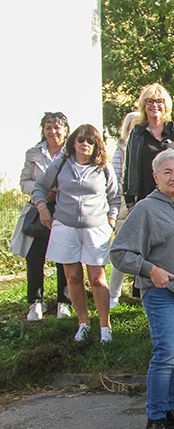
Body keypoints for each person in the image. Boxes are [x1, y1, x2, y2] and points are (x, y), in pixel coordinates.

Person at [110, 149, 174, 429]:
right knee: (165, 354)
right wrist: (150, 270)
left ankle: (171, 411)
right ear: (156, 177)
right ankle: (154, 419)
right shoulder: (145, 209)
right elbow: (119, 253)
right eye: (167, 172)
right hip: (161, 293)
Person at [33, 124, 120, 342]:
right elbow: (39, 188)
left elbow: (115, 198)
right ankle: (83, 322)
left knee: (97, 279)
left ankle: (105, 326)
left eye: (90, 141)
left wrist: (110, 222)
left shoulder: (104, 167)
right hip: (65, 227)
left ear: (97, 145)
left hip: (96, 229)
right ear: (73, 142)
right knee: (72, 277)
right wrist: (43, 210)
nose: (85, 144)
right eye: (81, 139)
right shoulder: (61, 164)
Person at [12, 112, 72, 321]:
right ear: (43, 130)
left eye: (57, 127)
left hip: (65, 211)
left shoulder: (72, 153)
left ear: (66, 130)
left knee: (64, 258)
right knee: (35, 257)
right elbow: (24, 181)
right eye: (48, 127)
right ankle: (36, 301)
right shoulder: (33, 153)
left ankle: (64, 302)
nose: (53, 131)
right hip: (39, 210)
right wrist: (41, 191)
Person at [123, 83, 174, 207]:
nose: (154, 105)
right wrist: (129, 201)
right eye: (150, 101)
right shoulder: (137, 133)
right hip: (146, 199)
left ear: (166, 105)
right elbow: (130, 167)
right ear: (144, 105)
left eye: (159, 101)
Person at [108, 112, 141, 309]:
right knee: (123, 249)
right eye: (133, 126)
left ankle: (141, 292)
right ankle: (114, 294)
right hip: (124, 205)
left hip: (147, 201)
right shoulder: (120, 150)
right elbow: (115, 179)